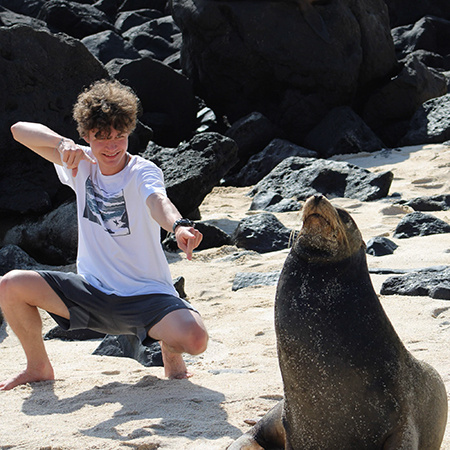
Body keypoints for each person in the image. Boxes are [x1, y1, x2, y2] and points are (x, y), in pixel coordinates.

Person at [0, 79, 208, 391]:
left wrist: (178, 226)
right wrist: (61, 145)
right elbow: (18, 130)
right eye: (101, 138)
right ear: (86, 135)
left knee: (196, 339)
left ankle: (171, 354)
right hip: (91, 293)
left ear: (129, 132)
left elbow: (157, 201)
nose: (111, 146)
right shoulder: (79, 163)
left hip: (147, 297)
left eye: (119, 136)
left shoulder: (142, 171)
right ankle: (38, 366)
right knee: (10, 285)